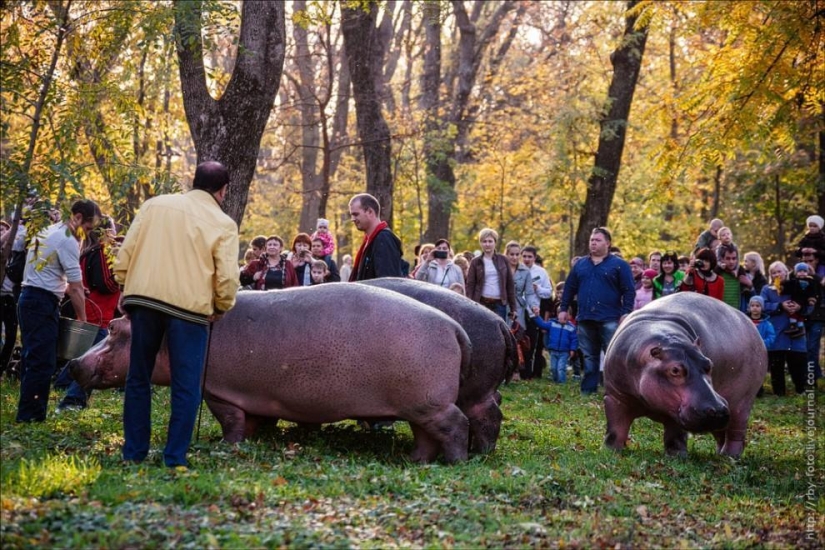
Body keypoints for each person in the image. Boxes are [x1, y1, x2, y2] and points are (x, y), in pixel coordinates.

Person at [115, 161, 240, 468]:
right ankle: (174, 457)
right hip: (189, 310)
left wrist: (125, 284)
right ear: (223, 190)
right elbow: (227, 278)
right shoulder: (223, 224)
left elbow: (126, 251)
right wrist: (221, 306)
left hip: (145, 300)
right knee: (186, 384)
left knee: (138, 376)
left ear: (193, 181)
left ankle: (134, 453)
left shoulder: (154, 205)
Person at [15, 199, 101, 422]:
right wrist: (82, 318)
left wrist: (70, 288)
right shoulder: (67, 240)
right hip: (41, 302)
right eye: (88, 228)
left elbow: (52, 276)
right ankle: (30, 417)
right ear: (78, 217)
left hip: (30, 298)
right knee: (42, 362)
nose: (87, 234)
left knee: (33, 358)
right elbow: (75, 286)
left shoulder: (49, 231)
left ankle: (28, 411)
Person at [558, 227, 635, 395]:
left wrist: (626, 312)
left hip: (610, 318)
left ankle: (617, 392)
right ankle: (588, 390)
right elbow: (569, 288)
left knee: (613, 356)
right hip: (585, 317)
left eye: (597, 240)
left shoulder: (619, 265)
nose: (593, 243)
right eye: (592, 240)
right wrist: (563, 308)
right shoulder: (580, 264)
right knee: (589, 356)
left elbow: (629, 290)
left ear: (608, 243)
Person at [56, 216, 122, 410]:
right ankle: (74, 399)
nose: (115, 233)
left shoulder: (88, 251)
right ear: (105, 231)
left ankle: (62, 382)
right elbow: (104, 283)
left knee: (85, 352)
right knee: (95, 359)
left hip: (95, 309)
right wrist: (122, 278)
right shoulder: (101, 252)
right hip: (97, 310)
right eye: (112, 229)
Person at [761, 261, 810, 396]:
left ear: (786, 272)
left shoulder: (796, 285)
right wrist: (780, 306)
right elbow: (762, 305)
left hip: (796, 333)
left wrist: (800, 306)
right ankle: (779, 393)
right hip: (776, 332)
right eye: (773, 272)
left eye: (779, 271)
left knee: (798, 363)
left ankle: (801, 389)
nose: (777, 274)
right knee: (777, 365)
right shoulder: (767, 289)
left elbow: (808, 303)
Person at [348, 193, 407, 281]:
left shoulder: (383, 239)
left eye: (356, 214)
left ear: (370, 212)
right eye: (352, 215)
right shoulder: (371, 241)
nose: (352, 219)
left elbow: (388, 282)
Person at [466, 228, 516, 322]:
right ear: (481, 243)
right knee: (481, 328)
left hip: (499, 303)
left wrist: (513, 308)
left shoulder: (503, 260)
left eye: (490, 241)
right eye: (484, 241)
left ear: (495, 242)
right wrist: (469, 304)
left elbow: (510, 285)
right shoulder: (475, 262)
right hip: (481, 303)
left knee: (499, 329)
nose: (487, 244)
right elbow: (470, 285)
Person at [521, 245, 553, 380]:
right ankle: (516, 371)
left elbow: (548, 292)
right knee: (518, 341)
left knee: (531, 342)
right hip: (518, 310)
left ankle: (528, 373)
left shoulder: (541, 272)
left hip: (533, 312)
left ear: (534, 258)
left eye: (529, 257)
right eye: (524, 256)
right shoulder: (517, 269)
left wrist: (538, 288)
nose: (527, 259)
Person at [531, 312, 578, 384]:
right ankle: (556, 380)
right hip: (553, 350)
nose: (561, 320)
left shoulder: (571, 328)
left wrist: (572, 349)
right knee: (553, 368)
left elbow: (574, 340)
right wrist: (537, 316)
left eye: (564, 319)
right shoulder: (552, 324)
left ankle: (562, 382)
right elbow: (542, 324)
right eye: (560, 319)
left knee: (561, 368)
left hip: (564, 351)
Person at [781, 262, 818, 338]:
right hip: (795, 299)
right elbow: (788, 287)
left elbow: (813, 291)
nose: (802, 273)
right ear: (796, 273)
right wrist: (782, 286)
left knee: (800, 315)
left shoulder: (810, 281)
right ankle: (794, 326)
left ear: (807, 272)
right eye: (800, 271)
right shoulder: (794, 281)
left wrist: (811, 299)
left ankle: (799, 328)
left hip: (804, 301)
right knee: (793, 312)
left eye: (804, 271)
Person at [714, 244, 752, 311]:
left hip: (738, 312)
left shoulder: (741, 273)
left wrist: (750, 284)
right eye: (728, 258)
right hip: (720, 310)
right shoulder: (717, 273)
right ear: (722, 259)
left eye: (734, 258)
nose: (731, 262)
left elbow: (754, 299)